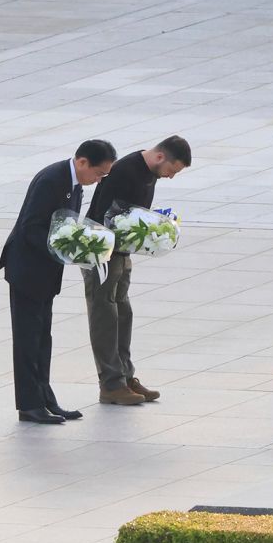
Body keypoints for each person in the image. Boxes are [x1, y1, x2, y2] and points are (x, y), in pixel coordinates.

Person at [0, 140, 116, 424]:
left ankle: (45, 398)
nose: (98, 180)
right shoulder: (52, 179)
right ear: (82, 162)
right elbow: (31, 227)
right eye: (99, 174)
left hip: (45, 273)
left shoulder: (73, 183)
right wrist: (65, 250)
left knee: (43, 338)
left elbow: (66, 225)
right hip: (27, 270)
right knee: (28, 340)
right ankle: (29, 405)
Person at [84, 135, 191, 406]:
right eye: (172, 170)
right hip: (102, 252)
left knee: (123, 312)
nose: (170, 177)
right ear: (159, 157)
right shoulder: (125, 170)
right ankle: (111, 384)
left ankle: (125, 376)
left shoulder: (149, 172)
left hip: (121, 252)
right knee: (105, 314)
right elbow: (106, 214)